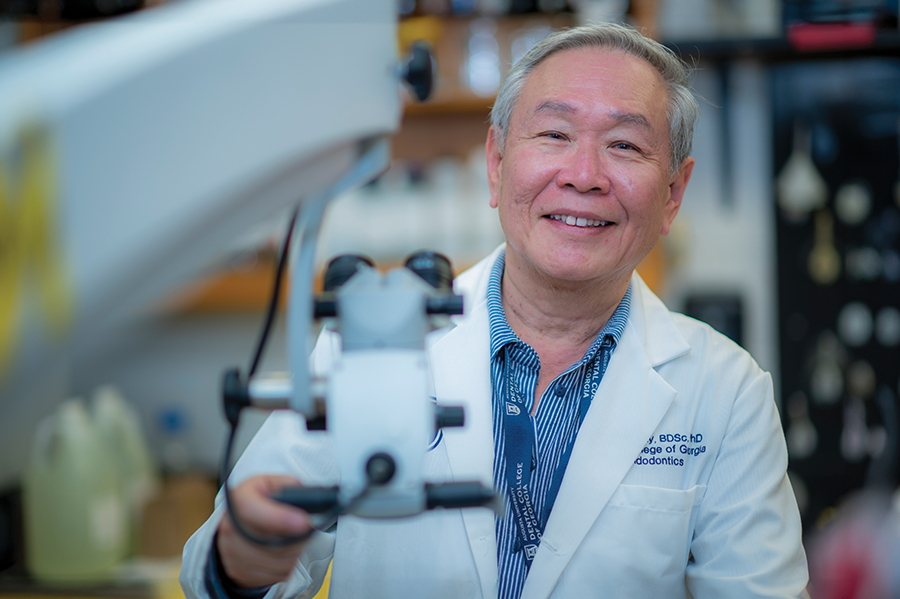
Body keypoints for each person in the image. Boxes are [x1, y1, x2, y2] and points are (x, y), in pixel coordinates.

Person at [181, 22, 809, 599]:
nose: (584, 175)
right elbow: (217, 569)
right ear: (496, 164)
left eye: (624, 145)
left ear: (673, 194)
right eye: (554, 134)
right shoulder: (370, 342)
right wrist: (243, 560)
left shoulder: (727, 393)